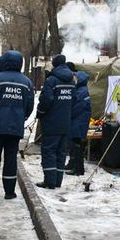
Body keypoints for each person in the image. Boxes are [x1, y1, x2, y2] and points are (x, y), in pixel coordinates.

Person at [0, 51, 34, 199]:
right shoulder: (26, 82)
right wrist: (22, 118)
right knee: (10, 158)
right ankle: (10, 191)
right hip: (15, 127)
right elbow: (29, 105)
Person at [36, 54, 75, 189]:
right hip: (66, 122)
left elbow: (46, 99)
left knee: (49, 151)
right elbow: (74, 100)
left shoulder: (52, 80)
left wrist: (40, 112)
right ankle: (58, 181)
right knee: (61, 152)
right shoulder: (71, 80)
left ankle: (50, 181)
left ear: (54, 64)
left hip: (52, 122)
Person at [66, 70, 91, 176]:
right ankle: (77, 167)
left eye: (75, 78)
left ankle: (78, 169)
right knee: (76, 145)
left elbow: (78, 107)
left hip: (79, 122)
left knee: (78, 146)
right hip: (79, 121)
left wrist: (68, 114)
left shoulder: (82, 91)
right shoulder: (81, 90)